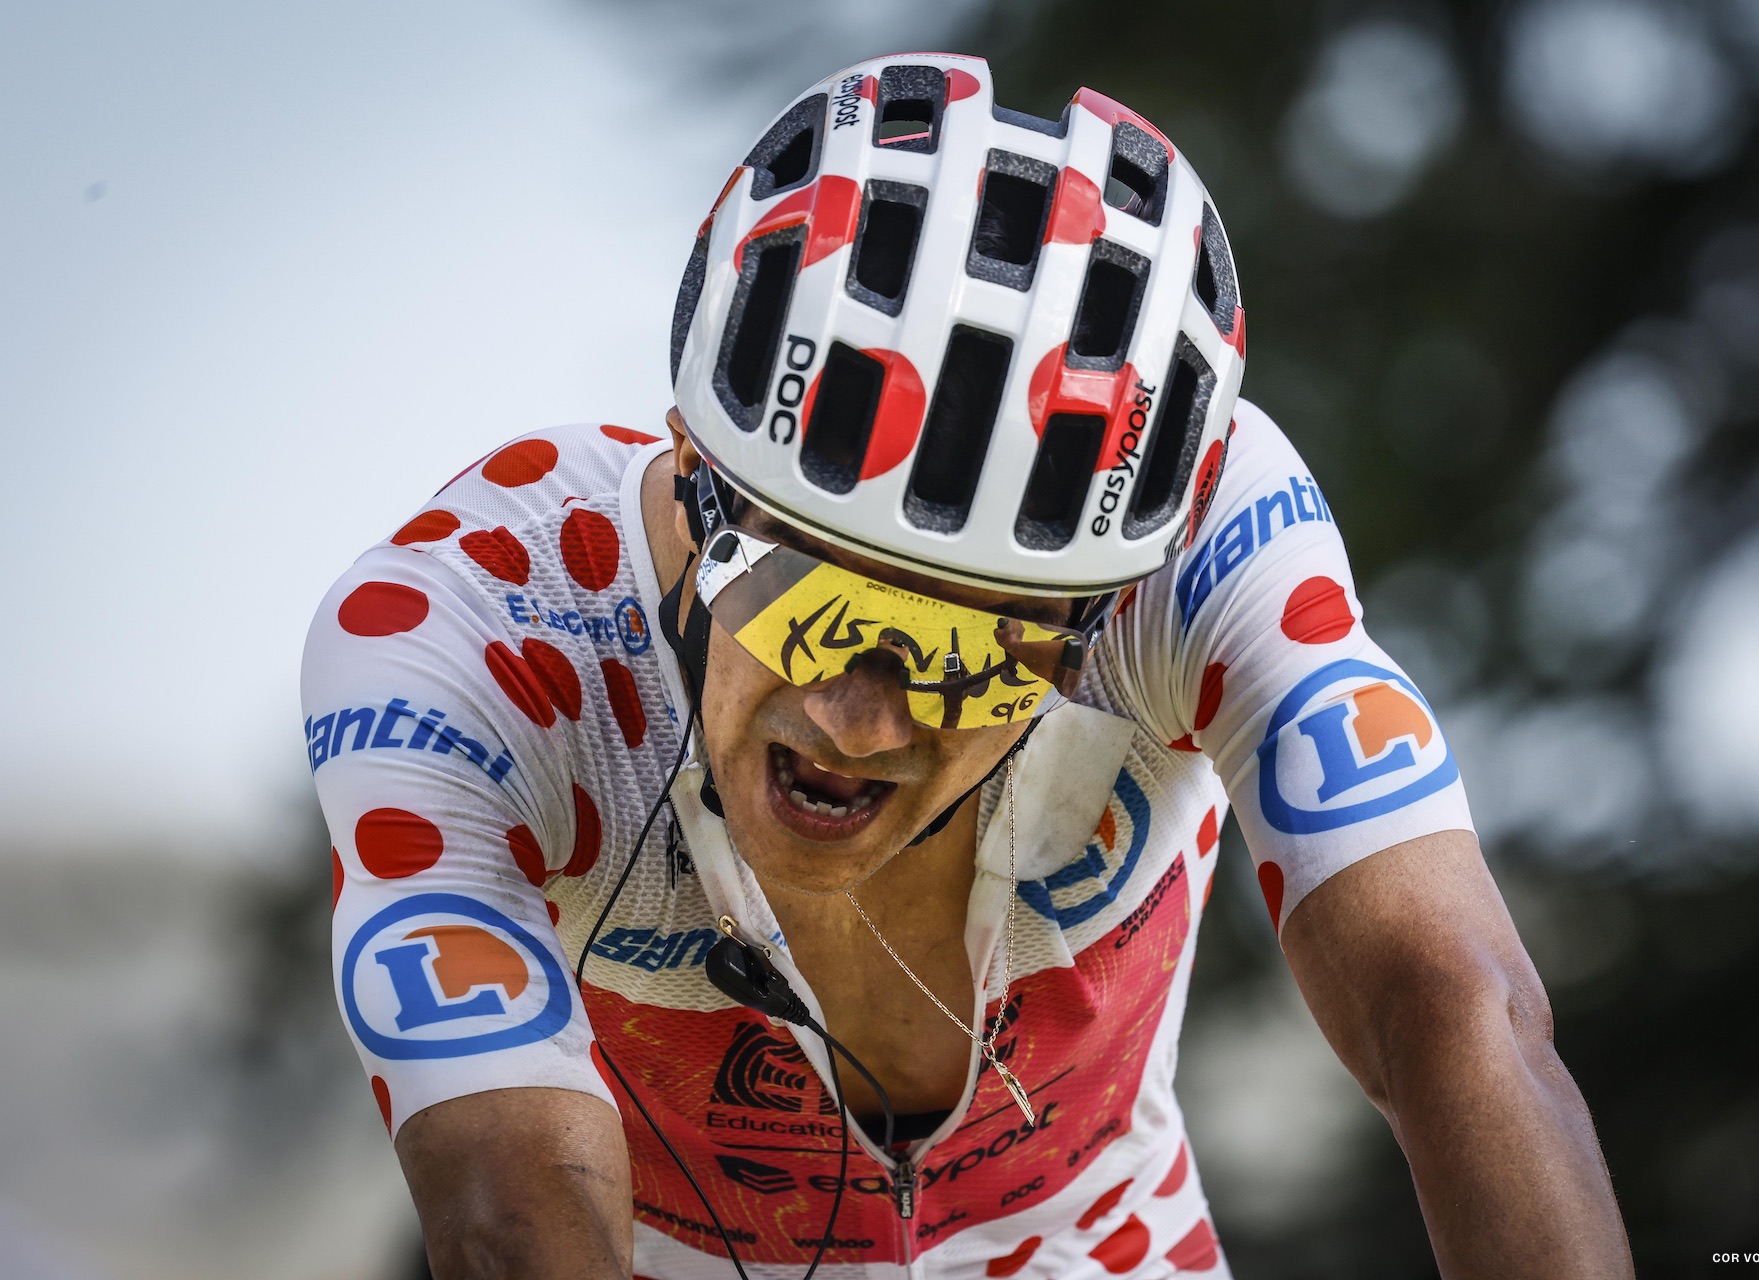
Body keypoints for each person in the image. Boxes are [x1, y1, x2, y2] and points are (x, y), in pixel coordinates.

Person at [304, 53, 1634, 1279]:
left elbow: (1450, 1002)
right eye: (803, 601)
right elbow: (513, 1218)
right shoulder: (479, 630)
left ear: (1097, 613)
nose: (855, 716)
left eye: (960, 653)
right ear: (699, 486)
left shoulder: (1210, 550)